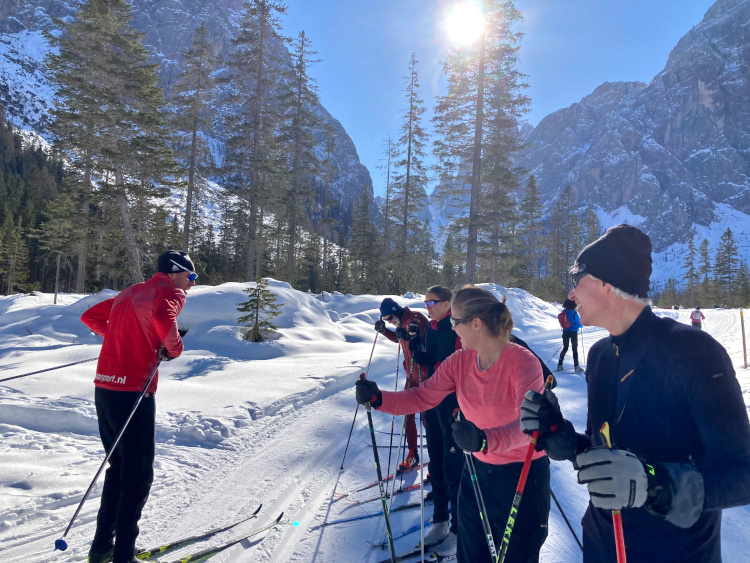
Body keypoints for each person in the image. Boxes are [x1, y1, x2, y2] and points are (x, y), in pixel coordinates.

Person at [520, 224, 750, 563]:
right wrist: (563, 439)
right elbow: (610, 454)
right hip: (601, 543)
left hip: (676, 552)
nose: (571, 294)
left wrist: (654, 485)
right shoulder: (600, 355)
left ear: (606, 283)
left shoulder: (693, 350)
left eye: (576, 280)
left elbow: (741, 473)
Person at [359, 286, 550, 563]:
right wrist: (378, 399)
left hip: (522, 476)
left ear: (476, 323)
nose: (451, 327)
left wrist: (484, 440)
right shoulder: (460, 361)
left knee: (515, 556)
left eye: (454, 321)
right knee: (471, 554)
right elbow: (423, 396)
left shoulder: (522, 362)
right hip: (476, 471)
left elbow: (530, 426)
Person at [81, 250, 196, 563]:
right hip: (133, 391)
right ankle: (124, 556)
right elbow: (163, 320)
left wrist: (127, 337)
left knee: (119, 469)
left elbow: (89, 317)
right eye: (191, 276)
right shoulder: (170, 291)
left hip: (104, 388)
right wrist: (174, 349)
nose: (191, 284)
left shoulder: (131, 292)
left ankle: (102, 549)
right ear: (175, 273)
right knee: (139, 475)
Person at [408, 285, 463, 555]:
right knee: (437, 462)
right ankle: (440, 520)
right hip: (432, 402)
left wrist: (425, 356)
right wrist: (416, 346)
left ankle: (458, 529)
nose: (428, 307)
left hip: (451, 403)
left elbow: (450, 363)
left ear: (447, 303)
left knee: (454, 467)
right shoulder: (432, 326)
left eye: (432, 302)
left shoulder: (455, 327)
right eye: (426, 302)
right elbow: (430, 360)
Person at [374, 297, 428, 471]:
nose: (389, 321)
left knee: (429, 420)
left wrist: (408, 335)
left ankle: (438, 460)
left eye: (389, 318)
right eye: (385, 320)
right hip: (411, 375)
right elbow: (399, 339)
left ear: (396, 311)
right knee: (408, 415)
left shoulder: (416, 317)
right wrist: (385, 331)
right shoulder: (400, 323)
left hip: (425, 376)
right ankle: (413, 454)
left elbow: (425, 338)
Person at [557, 298, 583, 372]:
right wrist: (580, 326)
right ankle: (576, 367)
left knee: (565, 348)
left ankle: (559, 365)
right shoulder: (574, 313)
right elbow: (579, 323)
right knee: (574, 349)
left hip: (565, 332)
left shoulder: (564, 312)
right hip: (573, 332)